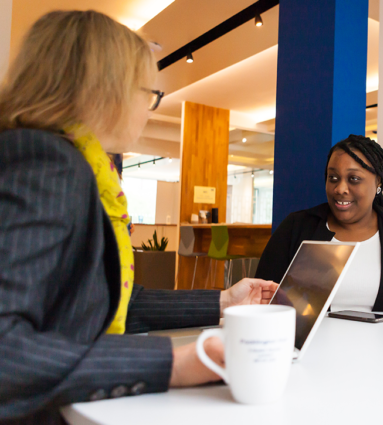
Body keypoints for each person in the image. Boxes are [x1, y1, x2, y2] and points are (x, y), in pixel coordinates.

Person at [0, 11, 277, 424]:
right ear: (105, 91)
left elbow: (103, 301)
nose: (148, 109)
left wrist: (222, 300)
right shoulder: (48, 164)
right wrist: (175, 364)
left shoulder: (73, 165)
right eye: (147, 93)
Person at [255, 135, 383, 318]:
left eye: (354, 179)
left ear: (378, 183)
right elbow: (260, 295)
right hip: (311, 352)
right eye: (333, 178)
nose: (340, 188)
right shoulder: (297, 227)